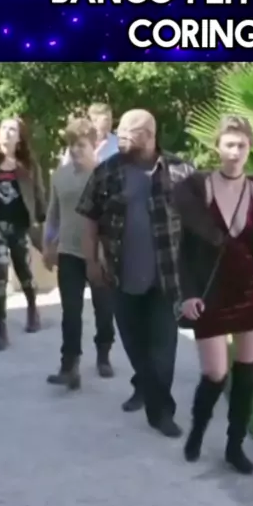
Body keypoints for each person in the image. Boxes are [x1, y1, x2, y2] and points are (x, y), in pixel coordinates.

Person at [172, 116, 253, 474]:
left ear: (249, 148)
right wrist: (188, 294)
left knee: (247, 372)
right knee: (215, 372)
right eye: (229, 145)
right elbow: (184, 252)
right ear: (217, 147)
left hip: (250, 289)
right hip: (211, 291)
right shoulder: (198, 190)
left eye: (241, 145)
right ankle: (197, 432)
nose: (235, 152)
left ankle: (235, 446)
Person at [76, 108, 193, 435]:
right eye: (121, 131)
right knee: (135, 345)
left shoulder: (181, 172)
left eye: (130, 132)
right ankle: (144, 385)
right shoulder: (107, 171)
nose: (122, 137)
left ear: (150, 136)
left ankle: (161, 413)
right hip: (120, 275)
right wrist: (91, 262)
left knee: (164, 349)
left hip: (167, 277)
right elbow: (89, 220)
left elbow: (199, 224)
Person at [43, 118, 115, 389]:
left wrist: (105, 253)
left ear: (94, 145)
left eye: (81, 145)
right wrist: (48, 244)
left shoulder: (105, 175)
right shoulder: (59, 176)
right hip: (68, 252)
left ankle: (104, 353)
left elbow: (112, 218)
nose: (75, 150)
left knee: (103, 309)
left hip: (98, 253)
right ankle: (69, 365)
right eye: (72, 145)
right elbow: (53, 214)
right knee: (71, 311)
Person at [0, 117, 46, 350]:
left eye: (12, 129)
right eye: (4, 128)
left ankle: (32, 309)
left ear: (19, 138)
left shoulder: (27, 164)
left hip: (20, 228)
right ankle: (1, 330)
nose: (7, 133)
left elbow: (38, 194)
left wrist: (42, 222)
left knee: (24, 272)